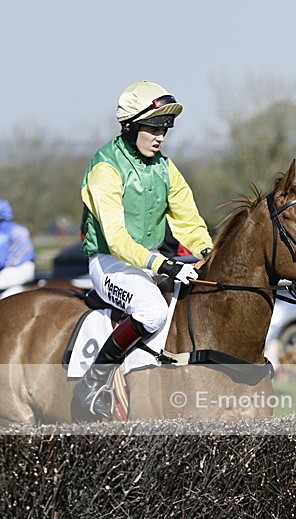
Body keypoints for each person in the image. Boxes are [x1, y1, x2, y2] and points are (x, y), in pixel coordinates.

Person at [74, 79, 214, 419]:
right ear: (130, 126)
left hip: (147, 264)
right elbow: (119, 240)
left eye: (165, 128)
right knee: (152, 311)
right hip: (109, 262)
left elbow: (189, 223)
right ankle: (91, 385)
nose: (160, 136)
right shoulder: (105, 168)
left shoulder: (166, 168)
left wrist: (209, 252)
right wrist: (164, 265)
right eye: (153, 128)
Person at [0, 199, 35, 295]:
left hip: (14, 271)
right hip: (26, 268)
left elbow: (1, 260)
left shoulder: (3, 231)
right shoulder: (18, 227)